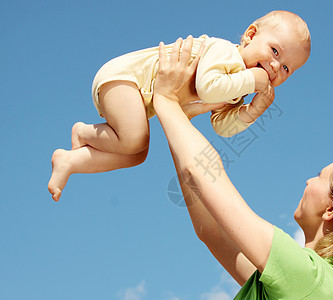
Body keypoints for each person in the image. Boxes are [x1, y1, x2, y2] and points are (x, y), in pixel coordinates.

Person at [152, 38, 333, 299]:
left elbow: (206, 176)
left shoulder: (315, 285)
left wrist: (166, 99)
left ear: (332, 208)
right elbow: (211, 231)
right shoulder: (313, 288)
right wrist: (180, 119)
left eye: (319, 177)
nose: (307, 181)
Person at [48, 10, 311, 202]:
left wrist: (251, 111)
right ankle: (83, 133)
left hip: (137, 97)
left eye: (287, 68)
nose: (276, 66)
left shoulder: (237, 88)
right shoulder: (224, 52)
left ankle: (70, 161)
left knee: (137, 153)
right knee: (135, 138)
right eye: (275, 51)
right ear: (250, 36)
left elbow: (221, 126)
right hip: (125, 78)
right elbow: (208, 87)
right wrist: (250, 79)